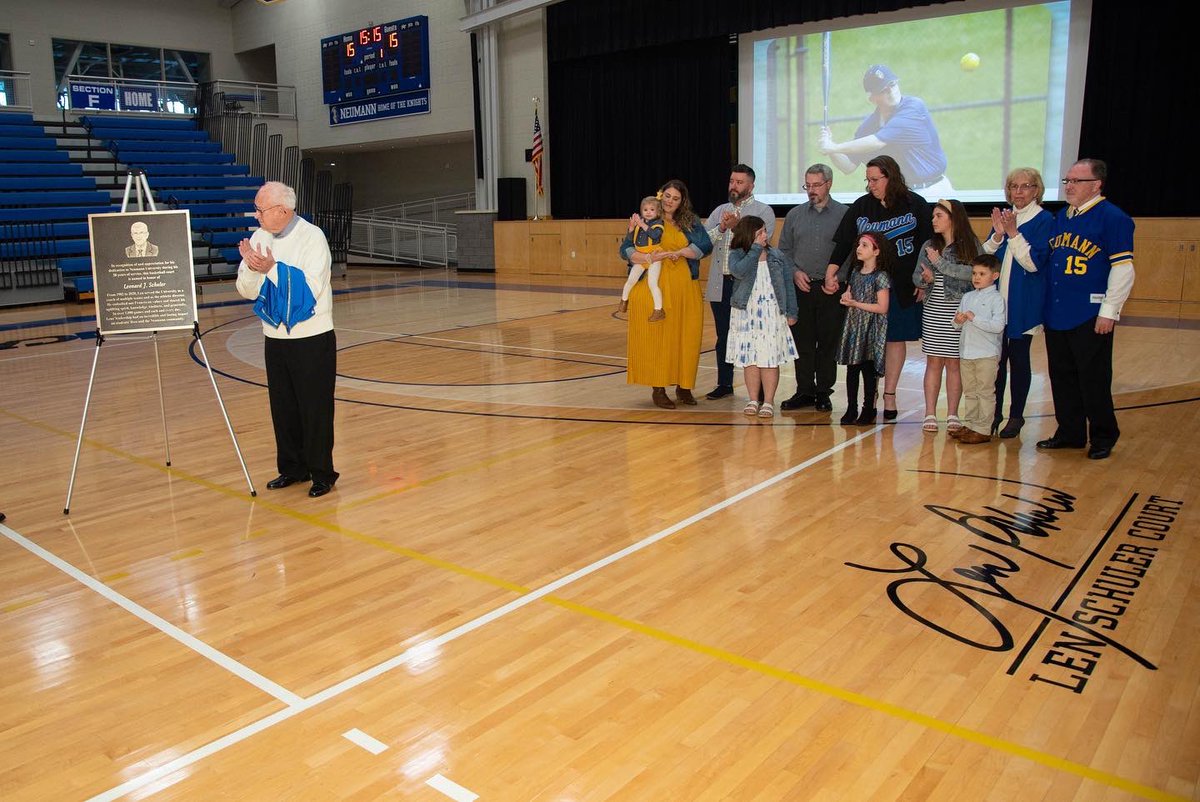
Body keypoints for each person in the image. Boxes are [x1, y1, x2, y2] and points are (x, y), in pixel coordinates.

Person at [235, 181, 339, 498]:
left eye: (260, 209)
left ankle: (322, 472)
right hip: (274, 337)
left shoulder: (312, 237)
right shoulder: (259, 238)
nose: (256, 216)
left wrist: (272, 268)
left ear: (282, 210)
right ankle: (293, 468)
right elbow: (246, 289)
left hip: (312, 337)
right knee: (283, 406)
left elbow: (311, 288)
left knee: (315, 407)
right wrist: (254, 269)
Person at [1038, 159, 1135, 461]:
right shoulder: (1061, 217)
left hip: (1090, 313)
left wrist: (1110, 310)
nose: (1069, 186)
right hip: (1057, 313)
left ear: (1096, 185)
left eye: (1076, 181)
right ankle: (1070, 432)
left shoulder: (1112, 218)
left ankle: (1104, 435)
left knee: (1093, 377)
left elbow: (1123, 269)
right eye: (1067, 180)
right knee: (1062, 375)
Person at [825, 155, 932, 421]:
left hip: (903, 283)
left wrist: (921, 280)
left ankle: (890, 394)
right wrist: (832, 270)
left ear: (890, 177)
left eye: (875, 180)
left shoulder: (914, 205)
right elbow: (844, 242)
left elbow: (929, 244)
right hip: (864, 283)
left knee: (894, 338)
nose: (870, 185)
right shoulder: (863, 206)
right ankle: (867, 398)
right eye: (868, 180)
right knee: (866, 341)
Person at [620, 179, 713, 409]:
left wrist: (682, 251)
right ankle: (659, 389)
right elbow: (625, 247)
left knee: (686, 336)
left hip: (685, 287)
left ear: (682, 201)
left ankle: (684, 387)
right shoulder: (647, 218)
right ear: (660, 196)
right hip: (654, 288)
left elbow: (706, 245)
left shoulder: (690, 221)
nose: (670, 201)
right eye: (668, 196)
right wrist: (637, 256)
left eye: (676, 198)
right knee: (659, 338)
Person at [983, 167, 1053, 438]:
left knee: (1019, 361)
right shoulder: (1005, 217)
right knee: (996, 362)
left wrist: (1013, 234)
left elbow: (1034, 263)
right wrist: (999, 234)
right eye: (1014, 186)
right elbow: (987, 257)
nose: (1019, 192)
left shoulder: (1044, 219)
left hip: (1024, 303)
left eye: (1025, 186)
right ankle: (994, 413)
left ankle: (1016, 416)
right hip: (998, 304)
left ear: (1036, 190)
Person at [777, 163, 847, 413]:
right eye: (808, 185)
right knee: (803, 341)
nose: (811, 190)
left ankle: (823, 392)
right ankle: (804, 390)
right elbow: (783, 251)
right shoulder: (795, 215)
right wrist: (795, 272)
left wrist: (839, 276)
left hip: (832, 288)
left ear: (829, 184)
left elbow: (851, 251)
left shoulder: (844, 214)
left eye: (816, 185)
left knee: (828, 342)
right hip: (802, 288)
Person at [819, 65, 952, 197]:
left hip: (934, 190)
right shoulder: (868, 127)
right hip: (901, 194)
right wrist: (832, 150)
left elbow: (878, 142)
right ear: (872, 98)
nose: (890, 91)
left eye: (892, 84)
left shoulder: (913, 108)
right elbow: (848, 167)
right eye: (883, 89)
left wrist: (834, 147)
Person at [703, 164, 775, 400]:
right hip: (720, 283)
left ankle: (761, 390)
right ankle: (724, 383)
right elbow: (704, 243)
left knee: (755, 334)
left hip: (748, 284)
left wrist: (736, 228)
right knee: (724, 335)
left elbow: (758, 244)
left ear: (751, 185)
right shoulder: (719, 211)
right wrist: (722, 227)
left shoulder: (763, 211)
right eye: (732, 181)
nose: (734, 186)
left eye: (740, 182)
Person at [913, 199, 981, 434]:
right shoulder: (929, 245)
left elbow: (975, 273)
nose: (933, 220)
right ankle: (929, 412)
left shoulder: (970, 245)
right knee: (933, 361)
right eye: (933, 216)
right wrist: (925, 279)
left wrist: (940, 264)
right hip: (934, 310)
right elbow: (916, 277)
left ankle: (952, 413)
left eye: (939, 216)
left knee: (954, 363)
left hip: (958, 312)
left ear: (953, 218)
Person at [726, 215, 799, 419]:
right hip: (745, 312)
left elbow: (787, 284)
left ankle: (768, 401)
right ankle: (752, 399)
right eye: (760, 233)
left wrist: (791, 312)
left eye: (765, 231)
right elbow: (738, 272)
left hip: (771, 312)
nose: (765, 235)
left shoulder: (777, 256)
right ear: (749, 235)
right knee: (750, 358)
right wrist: (756, 249)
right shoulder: (738, 254)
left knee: (769, 358)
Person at [836, 232, 893, 425]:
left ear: (876, 251)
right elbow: (850, 293)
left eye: (865, 245)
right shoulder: (855, 272)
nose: (859, 248)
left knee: (868, 370)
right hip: (854, 325)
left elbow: (882, 307)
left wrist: (856, 304)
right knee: (852, 369)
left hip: (871, 328)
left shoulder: (881, 276)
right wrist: (846, 297)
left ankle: (868, 408)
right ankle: (851, 408)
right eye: (859, 244)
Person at [951, 255, 1007, 444]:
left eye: (982, 274)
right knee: (970, 391)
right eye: (974, 273)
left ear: (995, 275)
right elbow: (957, 324)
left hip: (986, 354)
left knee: (985, 391)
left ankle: (983, 428)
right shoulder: (968, 297)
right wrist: (958, 321)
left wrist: (975, 318)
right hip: (967, 353)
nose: (976, 277)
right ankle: (972, 424)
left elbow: (998, 326)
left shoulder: (997, 299)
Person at [619, 195, 666, 320]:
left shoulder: (658, 223)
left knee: (652, 283)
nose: (648, 212)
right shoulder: (640, 223)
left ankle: (658, 309)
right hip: (641, 257)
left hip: (654, 257)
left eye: (652, 209)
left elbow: (655, 235)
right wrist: (632, 227)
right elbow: (630, 239)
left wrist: (642, 224)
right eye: (645, 210)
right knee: (631, 280)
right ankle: (624, 301)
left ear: (658, 211)